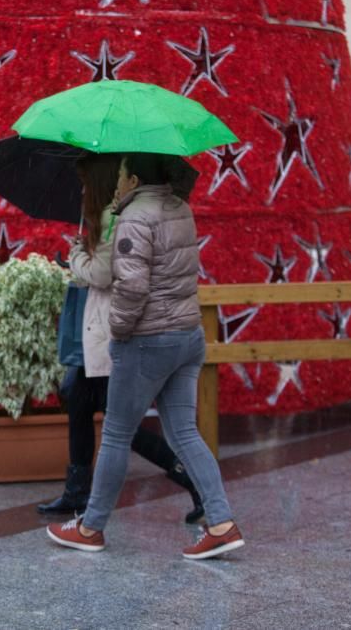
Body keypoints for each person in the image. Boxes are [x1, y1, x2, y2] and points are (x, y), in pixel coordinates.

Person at [46, 152, 244, 560]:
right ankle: (221, 524)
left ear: (134, 179)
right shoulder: (180, 206)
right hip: (187, 336)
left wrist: (118, 333)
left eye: (120, 176)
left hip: (148, 339)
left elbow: (132, 289)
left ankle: (90, 526)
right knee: (185, 433)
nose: (116, 184)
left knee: (117, 434)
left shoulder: (135, 217)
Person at [38, 152, 203, 524]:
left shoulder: (120, 217)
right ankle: (78, 491)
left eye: (85, 182)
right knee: (80, 398)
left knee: (116, 419)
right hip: (96, 325)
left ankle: (189, 477)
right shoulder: (106, 217)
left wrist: (76, 257)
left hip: (115, 327)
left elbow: (103, 274)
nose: (81, 189)